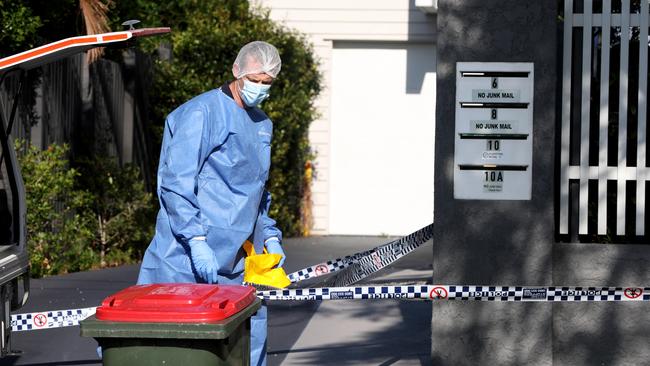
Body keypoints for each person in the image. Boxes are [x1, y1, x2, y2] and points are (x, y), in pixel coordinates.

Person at [137, 41, 285, 366]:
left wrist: (269, 234)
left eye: (267, 83)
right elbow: (176, 181)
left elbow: (255, 190)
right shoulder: (201, 113)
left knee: (244, 344)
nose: (260, 88)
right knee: (171, 348)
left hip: (236, 264)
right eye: (255, 80)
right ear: (237, 72)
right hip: (183, 259)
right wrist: (196, 238)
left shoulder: (262, 126)